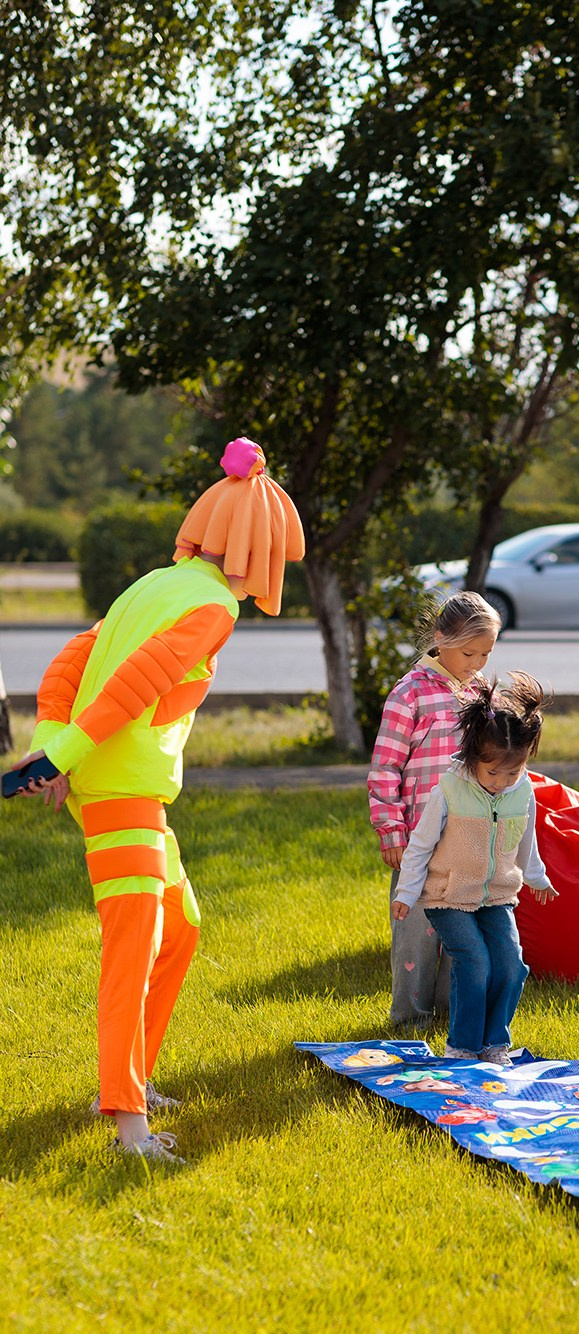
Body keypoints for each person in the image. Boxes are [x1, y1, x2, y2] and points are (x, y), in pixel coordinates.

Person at [8, 437, 305, 1162]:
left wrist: (57, 746)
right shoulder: (210, 608)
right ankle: (126, 1121)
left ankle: (131, 1079)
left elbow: (72, 660)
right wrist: (62, 755)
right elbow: (134, 681)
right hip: (122, 791)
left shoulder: (153, 584)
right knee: (133, 949)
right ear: (258, 552)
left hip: (117, 784)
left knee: (181, 927)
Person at [390, 671, 557, 1065]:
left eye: (511, 772)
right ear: (472, 757)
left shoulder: (524, 790)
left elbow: (525, 840)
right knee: (475, 961)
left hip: (497, 895)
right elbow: (420, 846)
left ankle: (493, 1043)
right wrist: (406, 893)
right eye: (492, 772)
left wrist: (537, 877)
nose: (501, 781)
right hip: (447, 895)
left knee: (511, 964)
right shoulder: (449, 789)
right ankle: (462, 1047)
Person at [368, 591, 500, 1027]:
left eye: (485, 653)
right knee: (417, 933)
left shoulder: (480, 693)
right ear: (441, 638)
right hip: (419, 841)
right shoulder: (410, 694)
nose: (477, 663)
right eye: (468, 652)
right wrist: (392, 832)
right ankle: (410, 1019)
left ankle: (451, 1015)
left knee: (462, 929)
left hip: (469, 836)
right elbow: (386, 766)